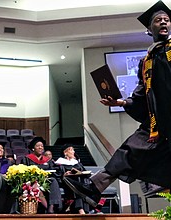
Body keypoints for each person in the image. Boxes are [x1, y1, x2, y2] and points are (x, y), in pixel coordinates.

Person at [63, 0, 171, 208]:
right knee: (128, 150)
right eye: (158, 20)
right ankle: (93, 189)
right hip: (156, 123)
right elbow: (141, 95)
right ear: (149, 29)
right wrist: (119, 101)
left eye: (167, 19)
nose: (164, 22)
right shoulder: (146, 60)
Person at [21, 136, 62, 214]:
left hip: (46, 180)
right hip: (32, 181)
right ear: (33, 148)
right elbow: (24, 171)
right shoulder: (27, 159)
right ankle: (47, 207)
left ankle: (52, 206)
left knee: (53, 180)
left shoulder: (47, 160)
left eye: (42, 146)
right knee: (37, 184)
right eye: (38, 146)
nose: (40, 147)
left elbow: (53, 170)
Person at [55, 144, 90, 214]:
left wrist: (82, 173)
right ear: (65, 153)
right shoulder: (60, 163)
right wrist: (64, 175)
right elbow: (57, 176)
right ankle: (80, 208)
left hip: (79, 182)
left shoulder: (77, 163)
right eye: (71, 150)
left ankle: (85, 210)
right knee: (77, 183)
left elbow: (85, 172)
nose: (73, 151)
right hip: (67, 183)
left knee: (83, 183)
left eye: (73, 150)